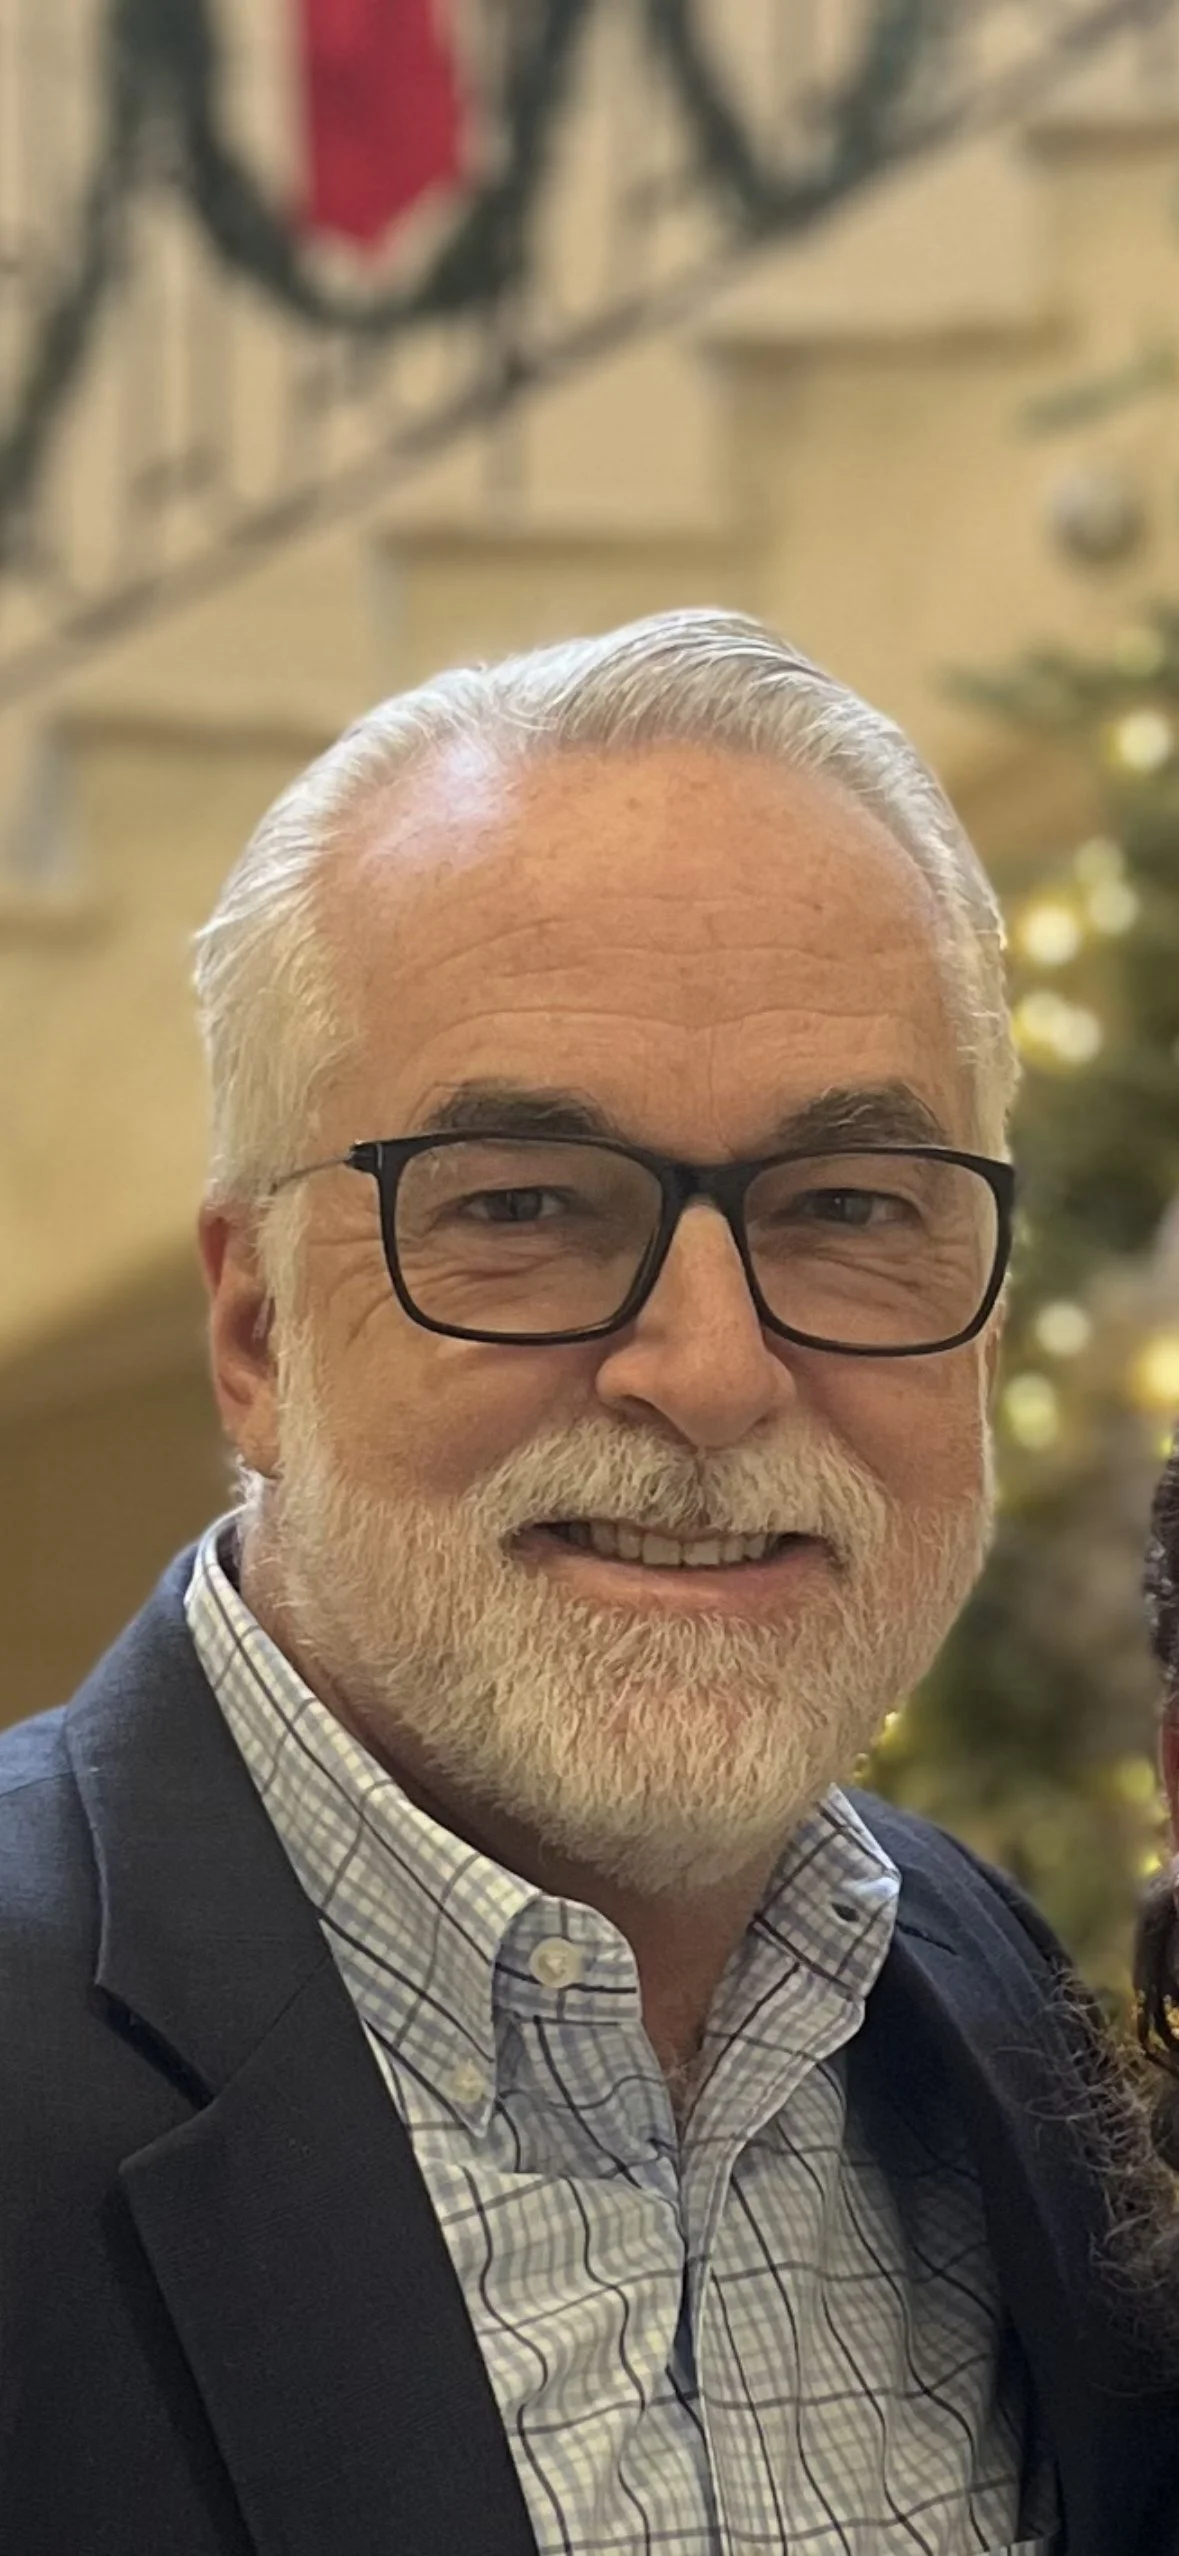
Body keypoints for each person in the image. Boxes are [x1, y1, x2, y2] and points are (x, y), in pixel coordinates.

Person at [4, 608, 1179, 2556]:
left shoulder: (982, 2001)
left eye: (851, 1209)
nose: (709, 1373)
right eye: (527, 1211)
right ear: (252, 1331)